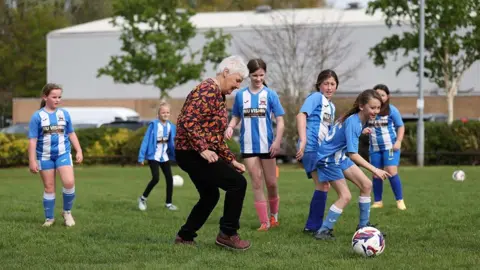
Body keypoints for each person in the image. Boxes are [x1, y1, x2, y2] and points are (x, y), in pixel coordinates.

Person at [174, 55, 251, 250]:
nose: (237, 86)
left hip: (193, 152)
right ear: (226, 72)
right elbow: (188, 120)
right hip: (190, 152)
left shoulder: (218, 94)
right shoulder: (208, 89)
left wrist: (230, 160)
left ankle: (185, 236)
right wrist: (202, 148)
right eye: (237, 80)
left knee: (210, 196)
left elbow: (215, 136)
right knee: (237, 184)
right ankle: (228, 233)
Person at [314, 89, 391, 240]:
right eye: (372, 107)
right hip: (328, 159)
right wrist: (375, 169)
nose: (376, 111)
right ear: (362, 106)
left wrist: (361, 131)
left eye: (378, 107)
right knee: (345, 196)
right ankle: (323, 231)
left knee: (366, 185)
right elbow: (353, 155)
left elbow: (343, 135)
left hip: (339, 157)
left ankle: (363, 226)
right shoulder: (354, 122)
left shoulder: (358, 120)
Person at [225, 58, 285, 231]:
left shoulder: (271, 95)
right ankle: (264, 222)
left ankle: (274, 217)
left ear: (265, 74)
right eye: (254, 75)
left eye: (261, 75)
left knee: (272, 183)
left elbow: (280, 121)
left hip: (268, 146)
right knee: (257, 182)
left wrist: (277, 141)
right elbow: (236, 116)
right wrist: (230, 126)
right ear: (248, 76)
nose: (258, 79)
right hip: (249, 146)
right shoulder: (240, 95)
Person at [28, 83, 83, 227]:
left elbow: (71, 133)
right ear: (45, 97)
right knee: (49, 187)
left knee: (69, 182)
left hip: (63, 153)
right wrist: (32, 160)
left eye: (59, 97)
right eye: (54, 97)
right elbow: (32, 141)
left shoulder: (64, 114)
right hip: (44, 156)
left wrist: (79, 150)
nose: (57, 100)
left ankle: (67, 212)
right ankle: (49, 218)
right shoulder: (37, 116)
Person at [296, 69, 338, 234]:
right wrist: (303, 140)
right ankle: (313, 227)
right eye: (326, 83)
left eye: (332, 84)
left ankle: (313, 226)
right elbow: (301, 116)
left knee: (323, 185)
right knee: (323, 184)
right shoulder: (316, 97)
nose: (329, 87)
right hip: (311, 147)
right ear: (319, 85)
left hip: (321, 150)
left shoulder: (331, 106)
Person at [365, 84, 406, 210]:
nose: (380, 97)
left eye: (382, 95)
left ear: (387, 97)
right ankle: (378, 201)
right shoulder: (369, 111)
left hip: (390, 147)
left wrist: (398, 141)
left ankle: (400, 200)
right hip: (375, 148)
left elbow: (401, 126)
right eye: (377, 95)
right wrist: (363, 130)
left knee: (391, 171)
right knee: (376, 174)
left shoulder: (392, 110)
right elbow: (360, 124)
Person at [137, 102, 178, 211]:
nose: (165, 114)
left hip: (164, 156)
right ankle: (142, 198)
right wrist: (141, 157)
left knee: (169, 179)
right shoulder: (153, 125)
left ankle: (168, 203)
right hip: (153, 156)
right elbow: (145, 141)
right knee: (156, 178)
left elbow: (174, 142)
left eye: (167, 112)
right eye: (163, 112)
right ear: (158, 114)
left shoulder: (171, 126)